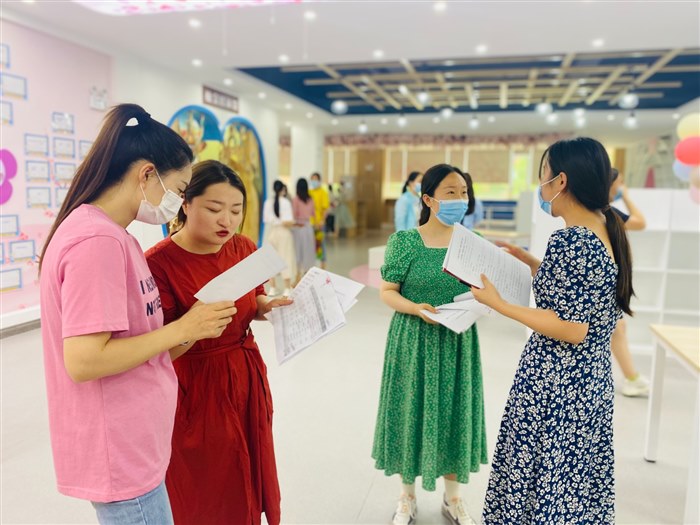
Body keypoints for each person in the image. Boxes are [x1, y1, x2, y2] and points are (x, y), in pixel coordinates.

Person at [39, 104, 236, 525]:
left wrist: (191, 330)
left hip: (136, 442)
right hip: (120, 450)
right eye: (179, 190)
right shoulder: (97, 243)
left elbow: (136, 340)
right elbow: (84, 360)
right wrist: (183, 328)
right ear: (147, 175)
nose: (177, 204)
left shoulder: (116, 236)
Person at [473, 137, 633, 523]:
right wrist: (531, 262)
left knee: (542, 476)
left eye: (543, 175)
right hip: (589, 381)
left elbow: (572, 327)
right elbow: (581, 293)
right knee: (568, 484)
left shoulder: (571, 239)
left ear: (561, 181)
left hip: (556, 382)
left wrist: (500, 305)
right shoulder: (606, 226)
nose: (540, 185)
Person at [145, 160, 292, 525]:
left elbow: (253, 298)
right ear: (185, 203)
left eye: (236, 210)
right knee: (204, 485)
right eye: (214, 209)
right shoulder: (158, 264)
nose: (227, 220)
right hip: (192, 386)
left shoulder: (243, 248)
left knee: (246, 471)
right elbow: (156, 350)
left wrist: (265, 306)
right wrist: (193, 327)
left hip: (244, 376)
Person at [373, 164, 487, 525]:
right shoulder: (405, 242)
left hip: (457, 341)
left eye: (464, 192)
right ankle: (406, 496)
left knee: (455, 413)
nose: (459, 199)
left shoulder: (472, 243)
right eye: (450, 192)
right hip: (413, 339)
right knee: (410, 410)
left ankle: (453, 499)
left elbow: (483, 291)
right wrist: (415, 308)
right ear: (428, 199)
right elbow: (387, 291)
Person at [610, 167, 649, 396]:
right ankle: (631, 378)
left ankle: (631, 377)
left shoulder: (606, 212)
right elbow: (640, 222)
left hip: (614, 279)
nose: (621, 187)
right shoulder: (607, 212)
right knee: (617, 327)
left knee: (619, 327)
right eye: (620, 183)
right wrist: (626, 196)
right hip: (610, 281)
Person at [263, 179, 297, 296]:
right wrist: (293, 222)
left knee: (271, 260)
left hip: (272, 233)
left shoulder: (268, 202)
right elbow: (287, 221)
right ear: (283, 190)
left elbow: (266, 219)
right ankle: (287, 288)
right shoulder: (286, 202)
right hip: (284, 233)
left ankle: (272, 288)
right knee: (286, 259)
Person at [292, 177, 316, 283]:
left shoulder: (296, 199)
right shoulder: (311, 199)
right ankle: (307, 278)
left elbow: (294, 215)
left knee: (297, 253)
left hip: (298, 228)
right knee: (308, 253)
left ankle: (297, 279)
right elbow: (313, 214)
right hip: (308, 228)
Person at [308, 172, 330, 268]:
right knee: (310, 244)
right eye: (312, 179)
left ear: (319, 180)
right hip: (310, 223)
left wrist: (322, 221)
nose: (314, 181)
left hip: (320, 223)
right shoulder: (309, 192)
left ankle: (323, 263)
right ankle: (311, 263)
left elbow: (325, 208)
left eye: (315, 179)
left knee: (321, 243)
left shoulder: (323, 192)